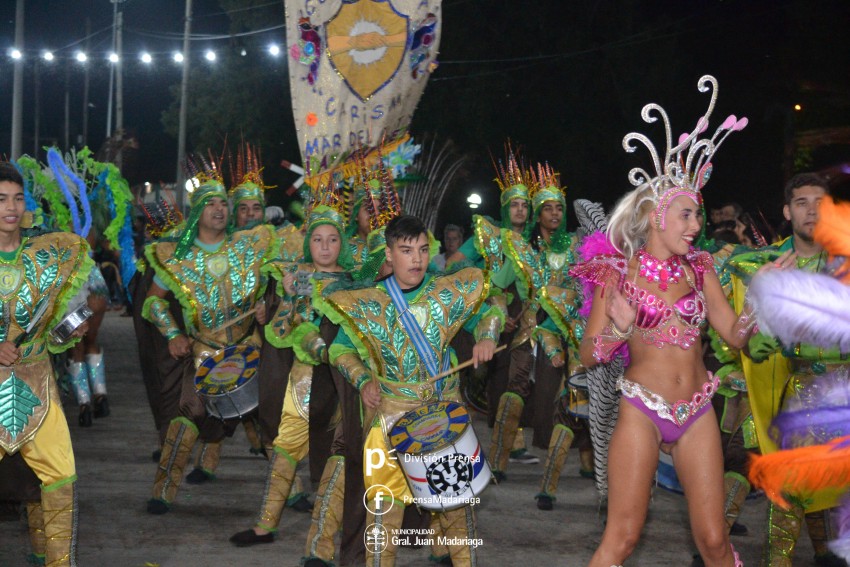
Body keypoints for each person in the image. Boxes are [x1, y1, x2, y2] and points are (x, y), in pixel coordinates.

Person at [574, 75, 759, 567]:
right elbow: (588, 353)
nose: (696, 226)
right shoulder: (617, 273)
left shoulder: (701, 269)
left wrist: (764, 303)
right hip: (641, 410)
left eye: (698, 216)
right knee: (622, 539)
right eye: (686, 215)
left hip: (697, 410)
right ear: (657, 214)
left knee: (716, 542)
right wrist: (618, 328)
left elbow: (733, 335)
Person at [321, 214, 502, 566]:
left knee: (457, 511)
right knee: (383, 513)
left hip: (442, 415)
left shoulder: (445, 292)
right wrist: (362, 380)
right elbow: (339, 350)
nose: (416, 259)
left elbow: (492, 309)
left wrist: (487, 337)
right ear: (389, 254)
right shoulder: (369, 302)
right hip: (390, 416)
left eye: (422, 249)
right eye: (406, 251)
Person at [727, 173, 848, 567]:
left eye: (819, 202)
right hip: (802, 388)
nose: (812, 210)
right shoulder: (765, 264)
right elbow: (735, 334)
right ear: (787, 211)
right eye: (801, 202)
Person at [228, 189, 353, 566]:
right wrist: (281, 304)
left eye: (332, 239)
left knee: (339, 457)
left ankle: (322, 544)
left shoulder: (354, 283)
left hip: (342, 383)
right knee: (284, 451)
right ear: (307, 243)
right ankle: (265, 526)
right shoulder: (295, 278)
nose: (325, 246)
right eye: (317, 239)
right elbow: (281, 331)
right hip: (302, 383)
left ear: (342, 243)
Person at [142, 165, 276, 514]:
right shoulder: (178, 254)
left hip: (250, 348)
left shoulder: (250, 245)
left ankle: (286, 496)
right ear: (197, 211)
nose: (219, 208)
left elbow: (287, 280)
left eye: (223, 202)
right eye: (210, 203)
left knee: (271, 420)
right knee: (189, 414)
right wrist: (172, 334)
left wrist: (269, 306)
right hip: (205, 353)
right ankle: (162, 491)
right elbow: (153, 301)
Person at [0, 161, 94, 566]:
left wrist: (65, 333)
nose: (11, 207)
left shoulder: (50, 255)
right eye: (1, 199)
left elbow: (49, 326)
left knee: (61, 477)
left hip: (37, 380)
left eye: (17, 198)